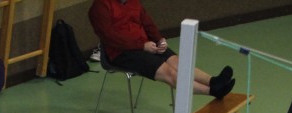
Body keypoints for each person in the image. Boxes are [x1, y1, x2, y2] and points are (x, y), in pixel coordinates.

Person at [88, 0, 235, 99]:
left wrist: (159, 39)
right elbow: (110, 38)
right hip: (122, 53)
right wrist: (141, 46)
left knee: (178, 62)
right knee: (169, 72)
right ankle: (212, 91)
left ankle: (213, 81)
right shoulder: (99, 7)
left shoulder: (133, 2)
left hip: (144, 46)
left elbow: (147, 23)